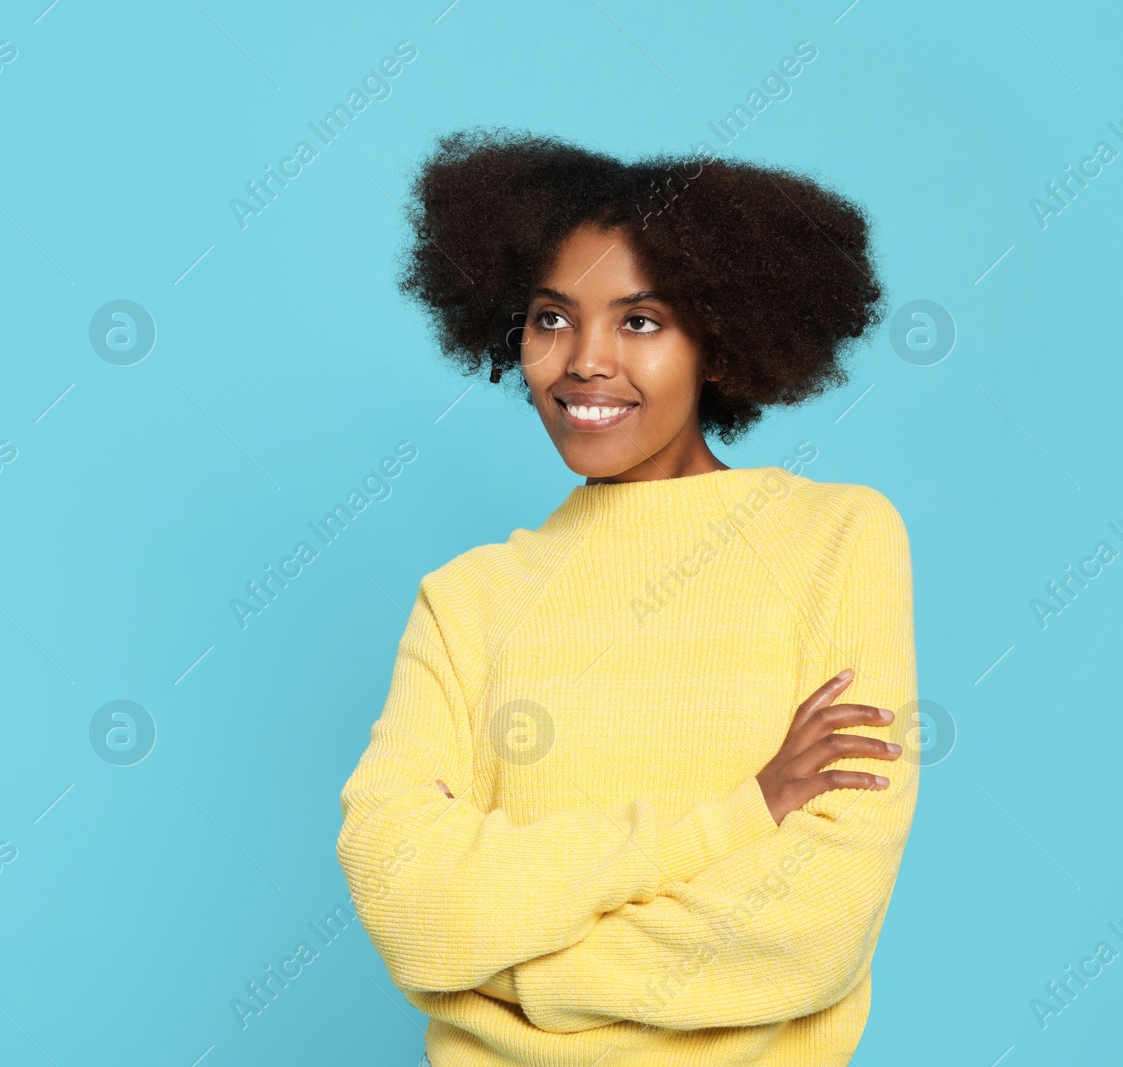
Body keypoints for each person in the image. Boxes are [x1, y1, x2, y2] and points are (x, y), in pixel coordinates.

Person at [336, 128, 919, 1066]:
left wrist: (502, 967)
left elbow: (812, 930)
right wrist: (740, 814)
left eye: (639, 321)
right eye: (551, 318)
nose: (584, 361)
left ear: (717, 341)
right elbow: (407, 904)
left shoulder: (837, 541)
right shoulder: (468, 599)